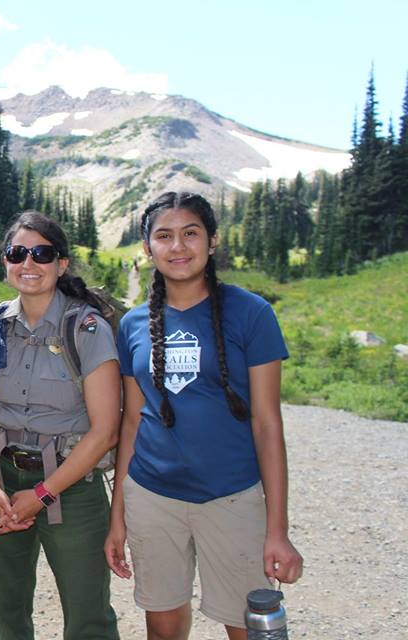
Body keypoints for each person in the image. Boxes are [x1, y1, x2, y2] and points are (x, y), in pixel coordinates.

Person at [104, 192, 304, 640]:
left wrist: (278, 530)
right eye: (164, 236)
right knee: (163, 628)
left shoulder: (252, 313)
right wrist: (117, 517)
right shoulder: (133, 325)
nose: (178, 247)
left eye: (190, 233)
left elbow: (268, 424)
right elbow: (131, 422)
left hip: (232, 497)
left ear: (212, 241)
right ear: (147, 248)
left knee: (248, 628)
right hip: (152, 498)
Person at [0, 211, 121, 640]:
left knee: (88, 617)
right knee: (8, 613)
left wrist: (43, 494)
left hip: (71, 483)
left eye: (42, 253)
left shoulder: (86, 328)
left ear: (61, 264)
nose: (28, 263)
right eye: (17, 253)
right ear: (5, 262)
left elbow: (105, 430)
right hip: (2, 479)